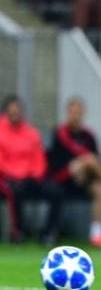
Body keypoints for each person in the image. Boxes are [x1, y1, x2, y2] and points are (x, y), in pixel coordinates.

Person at [47, 97, 101, 248]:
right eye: (73, 112)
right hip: (63, 178)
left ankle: (97, 234)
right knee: (88, 161)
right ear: (67, 113)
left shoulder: (88, 136)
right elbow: (54, 162)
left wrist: (85, 165)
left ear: (83, 114)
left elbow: (99, 159)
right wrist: (77, 165)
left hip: (85, 180)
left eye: (79, 112)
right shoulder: (60, 134)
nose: (76, 116)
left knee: (100, 188)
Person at [0, 95, 63, 244]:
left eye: (18, 110)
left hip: (31, 177)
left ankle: (48, 233)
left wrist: (36, 173)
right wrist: (16, 173)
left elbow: (39, 157)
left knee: (56, 191)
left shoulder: (31, 132)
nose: (16, 114)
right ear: (6, 112)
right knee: (14, 191)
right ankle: (17, 232)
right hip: (8, 177)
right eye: (12, 111)